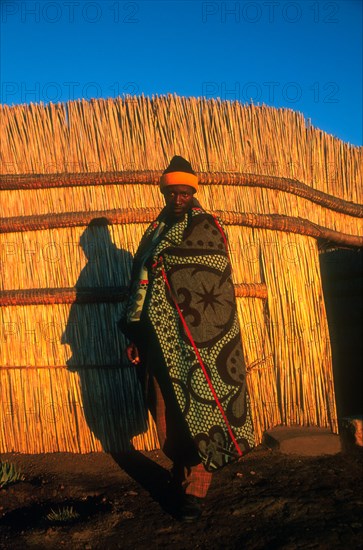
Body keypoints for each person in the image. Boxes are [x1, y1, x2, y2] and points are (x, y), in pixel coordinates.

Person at [119, 156, 255, 521]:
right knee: (164, 409)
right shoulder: (154, 233)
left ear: (193, 191)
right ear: (164, 192)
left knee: (197, 410)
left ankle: (195, 490)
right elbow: (140, 285)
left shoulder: (207, 227)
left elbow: (215, 275)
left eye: (184, 192)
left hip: (195, 339)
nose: (178, 199)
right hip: (154, 336)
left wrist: (170, 267)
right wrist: (134, 332)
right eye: (171, 193)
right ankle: (180, 474)